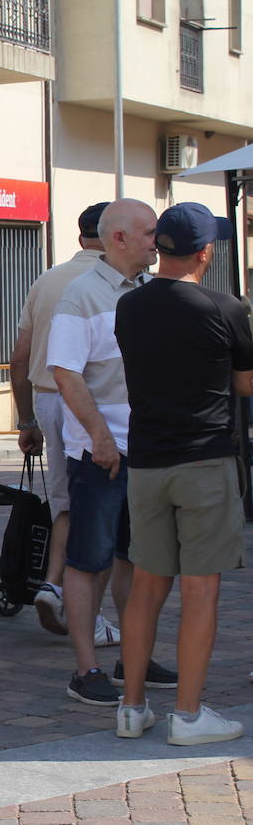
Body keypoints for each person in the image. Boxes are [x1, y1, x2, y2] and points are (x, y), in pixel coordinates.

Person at [113, 202, 251, 745]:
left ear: (159, 247)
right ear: (206, 251)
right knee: (201, 590)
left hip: (146, 461)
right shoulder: (226, 307)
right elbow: (245, 383)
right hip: (204, 460)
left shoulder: (130, 307)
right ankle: (189, 715)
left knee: (146, 588)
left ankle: (132, 707)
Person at [47, 198, 176, 707]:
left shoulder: (147, 290)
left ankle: (133, 658)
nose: (156, 240)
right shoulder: (81, 295)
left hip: (145, 448)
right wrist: (100, 437)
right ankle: (86, 668)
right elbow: (65, 371)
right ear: (119, 238)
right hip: (101, 453)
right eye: (148, 232)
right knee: (88, 561)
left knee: (134, 558)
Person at [10, 202, 123, 645]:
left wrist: (24, 419)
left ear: (80, 238)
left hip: (48, 399)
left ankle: (54, 583)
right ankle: (77, 604)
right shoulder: (119, 285)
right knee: (99, 507)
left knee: (65, 499)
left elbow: (19, 357)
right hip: (97, 402)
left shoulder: (47, 279)